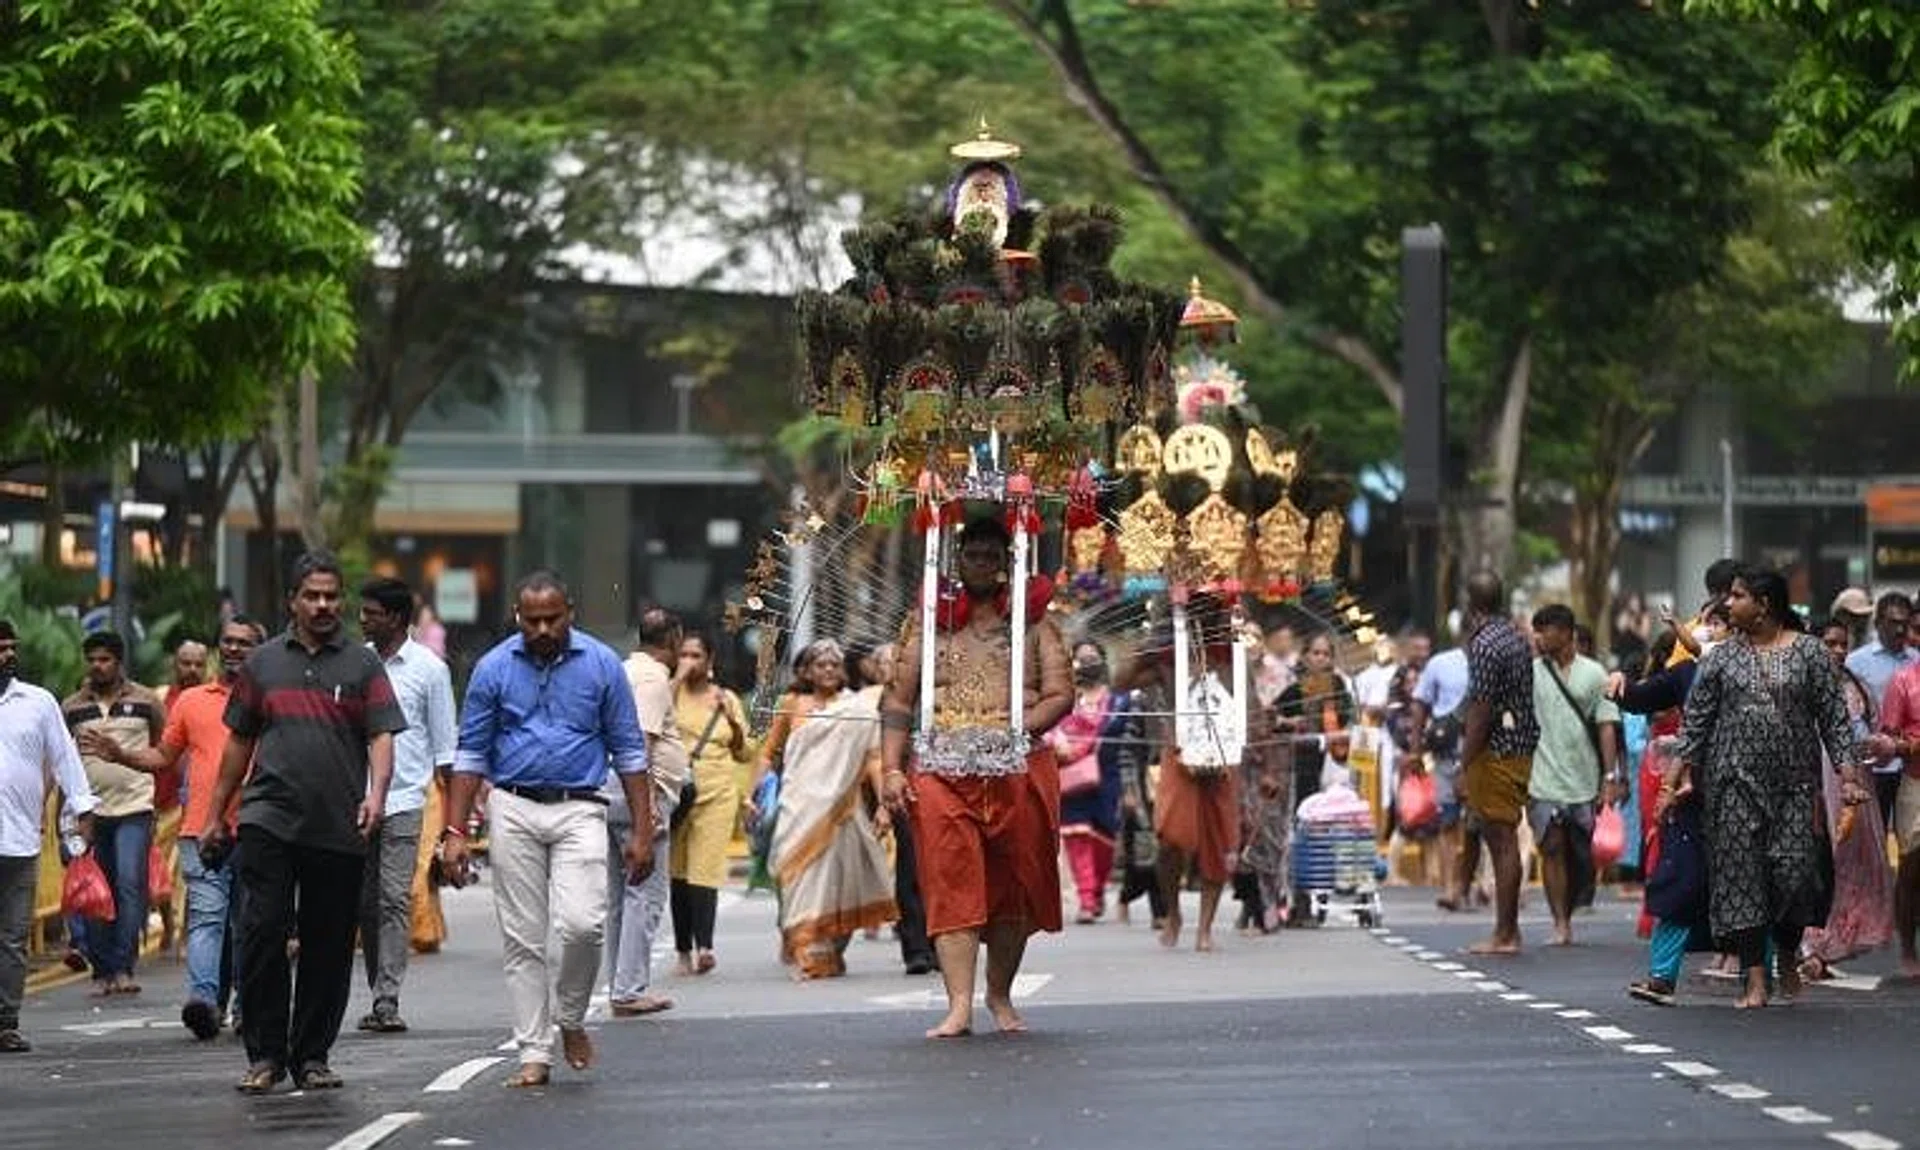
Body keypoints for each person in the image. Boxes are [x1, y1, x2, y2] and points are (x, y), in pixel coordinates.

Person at [199, 552, 406, 1092]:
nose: (322, 605)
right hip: (268, 819)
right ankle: (265, 1055)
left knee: (328, 942)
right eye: (311, 596)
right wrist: (215, 815)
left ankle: (312, 1055)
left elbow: (380, 735)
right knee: (262, 931)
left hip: (339, 825)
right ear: (292, 600)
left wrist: (376, 796)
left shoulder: (363, 666)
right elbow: (238, 742)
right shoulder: (262, 665)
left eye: (331, 596)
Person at [440, 570, 652, 1088]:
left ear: (570, 612)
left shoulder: (603, 665)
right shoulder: (492, 669)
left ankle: (571, 1018)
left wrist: (644, 830)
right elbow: (470, 753)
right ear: (517, 617)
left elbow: (629, 750)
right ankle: (533, 1052)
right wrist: (454, 831)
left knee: (584, 924)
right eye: (531, 620)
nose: (540, 629)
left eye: (551, 618)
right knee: (523, 939)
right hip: (512, 806)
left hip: (580, 806)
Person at [881, 516, 1071, 1038]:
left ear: (1009, 561)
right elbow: (897, 702)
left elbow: (1060, 695)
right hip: (941, 771)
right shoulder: (926, 623)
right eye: (974, 554)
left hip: (1018, 769)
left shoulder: (1034, 623)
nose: (983, 563)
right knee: (950, 883)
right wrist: (891, 769)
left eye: (994, 555)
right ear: (956, 559)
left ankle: (1000, 996)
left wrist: (1009, 733)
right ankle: (959, 1005)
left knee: (1014, 886)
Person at [1676, 565, 1868, 1009]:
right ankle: (1754, 978)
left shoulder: (1810, 654)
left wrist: (1849, 776)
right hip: (1733, 785)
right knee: (1741, 877)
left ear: (1764, 606)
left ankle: (1785, 950)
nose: (1728, 604)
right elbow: (1697, 721)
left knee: (1794, 874)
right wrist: (1676, 780)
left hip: (1796, 788)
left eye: (1739, 596)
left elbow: (1835, 722)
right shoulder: (1721, 657)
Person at [104, 616, 266, 1039]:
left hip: (259, 829)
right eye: (227, 642)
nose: (233, 649)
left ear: (259, 651)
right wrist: (122, 755)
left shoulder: (274, 700)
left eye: (244, 643)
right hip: (203, 830)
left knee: (248, 924)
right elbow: (163, 755)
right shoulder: (192, 701)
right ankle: (204, 1002)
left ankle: (248, 1006)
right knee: (208, 918)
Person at [354, 577, 456, 1034]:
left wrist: (455, 828)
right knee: (365, 903)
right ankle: (380, 987)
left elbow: (446, 754)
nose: (362, 620)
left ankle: (386, 1000)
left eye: (370, 613)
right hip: (352, 802)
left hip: (404, 800)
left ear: (394, 618)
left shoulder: (430, 670)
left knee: (395, 897)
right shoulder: (354, 664)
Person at [770, 639, 897, 978]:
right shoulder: (791, 704)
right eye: (821, 664)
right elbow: (770, 753)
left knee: (838, 883)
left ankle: (823, 952)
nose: (828, 670)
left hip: (840, 808)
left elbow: (873, 758)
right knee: (795, 878)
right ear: (806, 670)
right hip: (797, 806)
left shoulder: (857, 709)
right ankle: (803, 941)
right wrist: (750, 796)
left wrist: (885, 803)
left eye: (834, 665)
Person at [0, 619, 98, 1052]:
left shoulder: (37, 702)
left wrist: (83, 808)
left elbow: (64, 757)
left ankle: (5, 1021)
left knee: (13, 937)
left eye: (10, 648)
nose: (8, 656)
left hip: (19, 840)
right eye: (0, 648)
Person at [64, 631, 165, 997]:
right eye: (92, 659)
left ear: (119, 662)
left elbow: (162, 748)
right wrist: (68, 816)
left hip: (135, 808)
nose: (97, 665)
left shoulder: (146, 701)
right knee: (94, 889)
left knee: (127, 884)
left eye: (105, 659)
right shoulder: (72, 706)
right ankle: (101, 969)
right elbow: (62, 761)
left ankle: (124, 967)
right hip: (90, 811)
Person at [603, 607, 689, 1017]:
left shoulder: (623, 669)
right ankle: (629, 989)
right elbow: (641, 743)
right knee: (645, 897)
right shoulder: (653, 678)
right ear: (673, 640)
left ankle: (620, 985)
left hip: (612, 794)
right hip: (636, 800)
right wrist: (648, 807)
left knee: (622, 896)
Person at [1798, 618, 1894, 980]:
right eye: (1829, 643)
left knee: (1857, 866)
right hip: (1817, 784)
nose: (1838, 650)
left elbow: (1874, 732)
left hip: (1856, 786)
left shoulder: (1858, 686)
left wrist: (1877, 746)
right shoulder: (1802, 686)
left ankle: (1833, 946)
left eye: (1842, 644)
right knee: (1822, 864)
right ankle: (1811, 945)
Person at [1526, 604, 1622, 947]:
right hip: (1542, 778)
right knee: (1551, 846)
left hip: (1584, 779)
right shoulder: (1531, 672)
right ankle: (1560, 922)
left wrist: (1609, 779)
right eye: (1536, 630)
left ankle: (1573, 903)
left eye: (1545, 629)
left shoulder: (1595, 674)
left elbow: (1607, 727)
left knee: (1580, 854)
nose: (1538, 636)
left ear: (1566, 633)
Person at [1458, 571, 1540, 957]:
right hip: (1520, 745)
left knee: (1501, 840)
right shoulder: (1515, 638)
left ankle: (1505, 933)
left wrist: (1465, 759)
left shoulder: (1485, 644)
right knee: (1503, 838)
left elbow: (1481, 709)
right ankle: (1508, 931)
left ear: (1471, 602)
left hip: (1496, 749)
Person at [845, 641, 935, 975]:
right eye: (883, 662)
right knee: (910, 868)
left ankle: (941, 941)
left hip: (937, 784)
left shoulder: (930, 697)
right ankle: (915, 948)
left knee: (939, 869)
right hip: (896, 789)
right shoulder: (871, 702)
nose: (889, 667)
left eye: (896, 661)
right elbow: (873, 756)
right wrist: (883, 800)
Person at [669, 632, 751, 977]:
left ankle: (705, 946)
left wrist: (729, 718)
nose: (690, 661)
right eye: (684, 654)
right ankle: (683, 951)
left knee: (705, 867)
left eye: (696, 655)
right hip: (675, 790)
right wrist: (676, 680)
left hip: (716, 790)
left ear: (710, 660)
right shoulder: (668, 693)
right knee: (678, 871)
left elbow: (744, 751)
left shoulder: (726, 697)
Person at [1047, 642, 1126, 925]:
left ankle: (1098, 888)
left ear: (1103, 662)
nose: (1086, 663)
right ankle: (1087, 900)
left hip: (1108, 779)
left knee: (1105, 840)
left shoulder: (1120, 702)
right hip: (1071, 777)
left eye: (1092, 658)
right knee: (1077, 838)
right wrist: (1059, 742)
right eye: (1080, 659)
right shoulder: (1066, 699)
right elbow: (1050, 726)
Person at [1412, 642, 1477, 910]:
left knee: (1480, 824)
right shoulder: (1440, 662)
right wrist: (1416, 747)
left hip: (1481, 755)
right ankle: (1450, 887)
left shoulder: (1496, 662)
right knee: (1448, 821)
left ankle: (1476, 883)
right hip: (1446, 753)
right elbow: (1420, 702)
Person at [1868, 643, 1920, 979]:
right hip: (1916, 781)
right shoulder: (1905, 681)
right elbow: (1887, 742)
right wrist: (1908, 745)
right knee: (1913, 867)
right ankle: (1908, 949)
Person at [151, 640, 205, 953]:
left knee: (187, 872)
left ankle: (185, 931)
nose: (192, 670)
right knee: (160, 872)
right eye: (186, 663)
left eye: (198, 664)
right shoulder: (158, 699)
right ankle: (168, 924)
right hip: (161, 799)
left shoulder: (213, 698)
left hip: (196, 800)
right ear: (175, 663)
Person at [1846, 592, 1916, 827]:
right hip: (1872, 765)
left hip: (1910, 764)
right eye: (1893, 622)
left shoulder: (1916, 661)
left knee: (1909, 836)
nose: (1899, 630)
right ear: (1878, 624)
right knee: (1874, 833)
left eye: (1904, 623)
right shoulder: (1856, 662)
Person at [1275, 632, 1356, 810]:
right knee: (1307, 809)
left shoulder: (1340, 686)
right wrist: (1289, 722)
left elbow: (1351, 719)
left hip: (1337, 760)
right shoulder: (1295, 689)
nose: (1321, 658)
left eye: (1326, 654)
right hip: (1304, 762)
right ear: (1305, 657)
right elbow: (1272, 718)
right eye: (1316, 653)